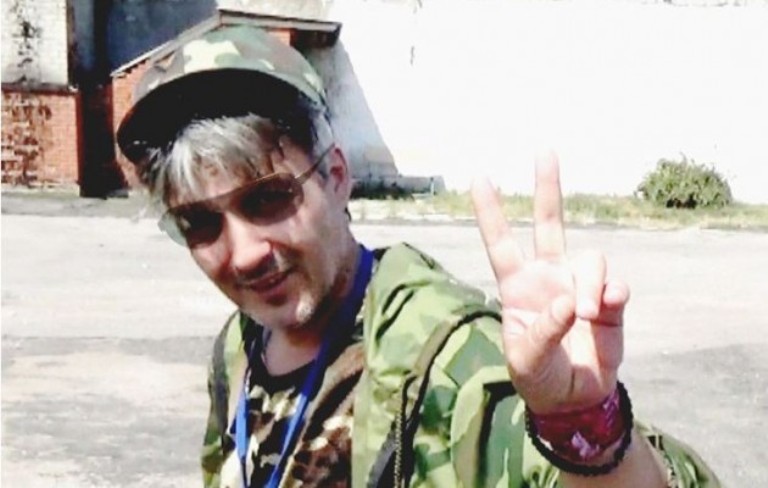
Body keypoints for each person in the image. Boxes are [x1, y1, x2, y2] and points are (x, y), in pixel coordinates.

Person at [117, 24, 720, 488]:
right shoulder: (239, 346)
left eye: (269, 198)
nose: (244, 254)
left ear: (335, 176)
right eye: (199, 223)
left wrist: (584, 426)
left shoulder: (448, 360)